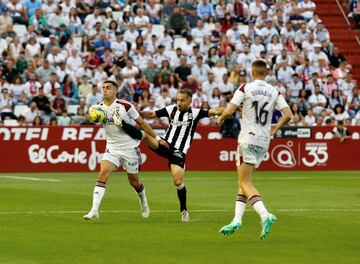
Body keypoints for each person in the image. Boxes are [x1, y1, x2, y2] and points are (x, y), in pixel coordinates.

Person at [118, 89, 225, 222]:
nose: (179, 103)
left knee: (178, 181)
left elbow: (214, 111)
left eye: (182, 100)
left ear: (190, 101)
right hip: (165, 144)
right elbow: (151, 114)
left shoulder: (195, 113)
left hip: (178, 152)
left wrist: (234, 107)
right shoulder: (171, 109)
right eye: (178, 100)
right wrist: (138, 113)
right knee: (144, 134)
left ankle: (184, 210)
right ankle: (128, 138)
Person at [218, 60, 292, 239]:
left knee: (245, 183)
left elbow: (229, 111)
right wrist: (276, 127)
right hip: (264, 140)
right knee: (244, 182)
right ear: (266, 73)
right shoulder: (274, 90)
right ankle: (237, 220)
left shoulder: (245, 88)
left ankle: (265, 215)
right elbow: (289, 115)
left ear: (252, 72)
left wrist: (221, 118)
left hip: (247, 138)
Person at [83, 80, 168, 221]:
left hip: (130, 149)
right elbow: (92, 120)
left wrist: (158, 138)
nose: (105, 90)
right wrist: (91, 119)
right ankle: (94, 210)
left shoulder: (125, 106)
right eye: (103, 88)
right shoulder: (98, 108)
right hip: (112, 148)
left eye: (108, 88)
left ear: (115, 90)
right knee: (102, 176)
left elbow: (142, 124)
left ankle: (143, 201)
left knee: (134, 182)